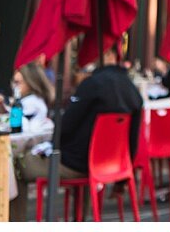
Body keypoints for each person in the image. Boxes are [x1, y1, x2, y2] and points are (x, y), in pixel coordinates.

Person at [56, 46, 143, 177]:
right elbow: (133, 138)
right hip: (115, 164)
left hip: (79, 163)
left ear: (109, 54)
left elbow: (66, 125)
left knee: (19, 165)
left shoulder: (92, 84)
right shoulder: (132, 89)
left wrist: (51, 143)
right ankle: (86, 197)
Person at [11, 65, 55, 133]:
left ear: (30, 83)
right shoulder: (37, 100)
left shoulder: (30, 101)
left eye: (18, 82)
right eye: (14, 82)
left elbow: (17, 126)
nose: (14, 87)